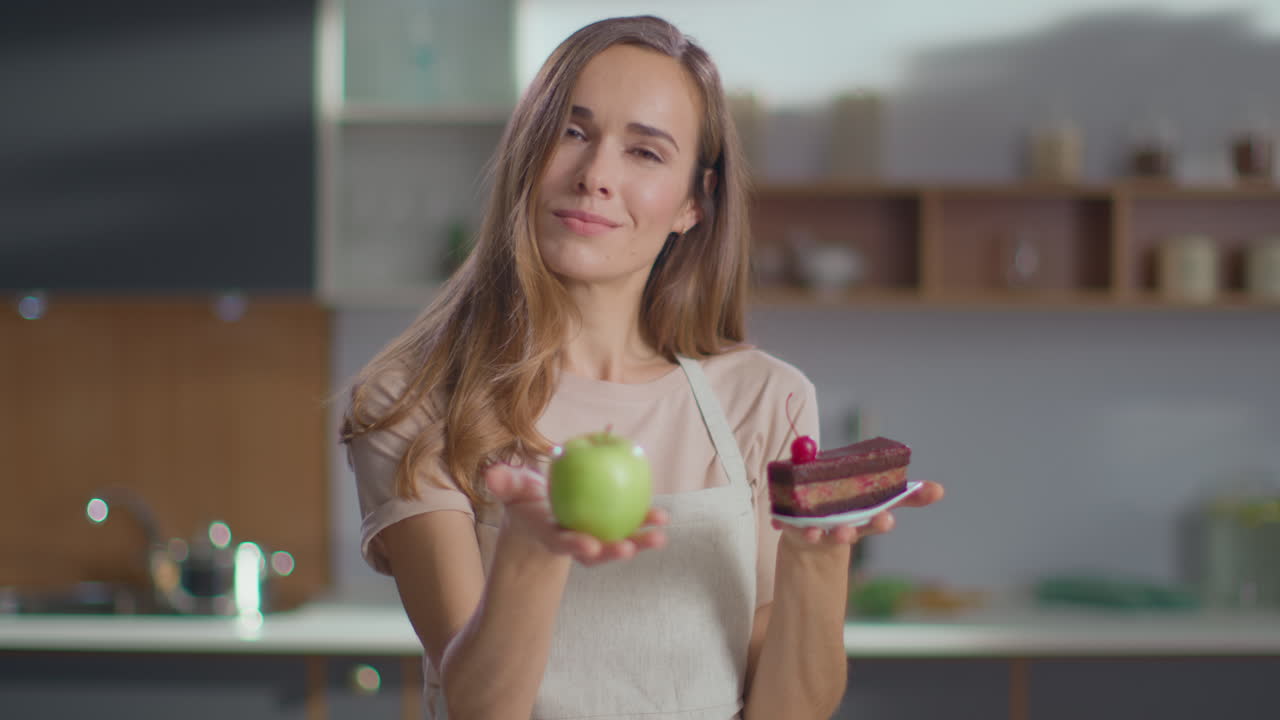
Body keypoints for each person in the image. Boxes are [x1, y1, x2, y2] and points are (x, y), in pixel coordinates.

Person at [340, 15, 943, 720]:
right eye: (573, 131)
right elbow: (480, 708)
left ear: (694, 202)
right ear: (527, 151)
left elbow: (789, 711)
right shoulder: (416, 400)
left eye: (645, 153)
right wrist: (532, 551)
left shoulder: (764, 400)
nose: (596, 175)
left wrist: (818, 558)